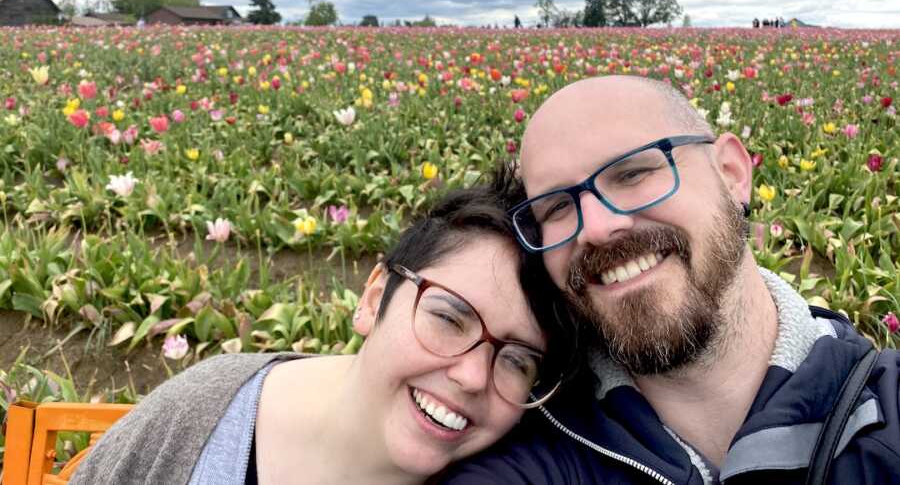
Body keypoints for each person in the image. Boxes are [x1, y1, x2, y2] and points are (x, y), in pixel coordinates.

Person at [442, 75, 900, 483]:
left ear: (732, 173)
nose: (597, 227)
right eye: (557, 206)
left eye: (634, 171)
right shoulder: (530, 451)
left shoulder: (888, 412)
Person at [71, 166, 575, 485]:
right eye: (448, 317)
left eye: (517, 359)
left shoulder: (526, 473)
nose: (471, 376)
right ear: (374, 297)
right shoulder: (200, 416)